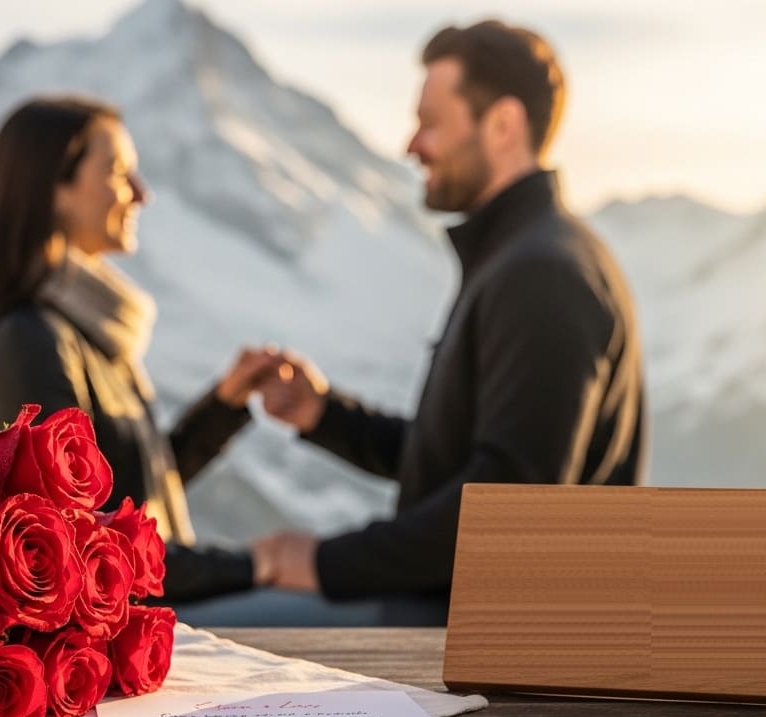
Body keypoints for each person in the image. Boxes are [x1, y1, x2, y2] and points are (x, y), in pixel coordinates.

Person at [179, 19, 645, 627]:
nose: (411, 145)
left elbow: (506, 504)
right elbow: (459, 457)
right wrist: (325, 415)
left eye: (431, 121)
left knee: (215, 628)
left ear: (502, 124)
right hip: (462, 620)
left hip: (486, 635)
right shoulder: (521, 257)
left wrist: (323, 562)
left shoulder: (542, 275)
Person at [0, 96, 275, 601]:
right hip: (126, 621)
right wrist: (260, 562)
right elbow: (80, 539)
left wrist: (223, 407)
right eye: (119, 173)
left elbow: (127, 494)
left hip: (149, 605)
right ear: (54, 189)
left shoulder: (87, 329)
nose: (142, 194)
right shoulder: (28, 342)